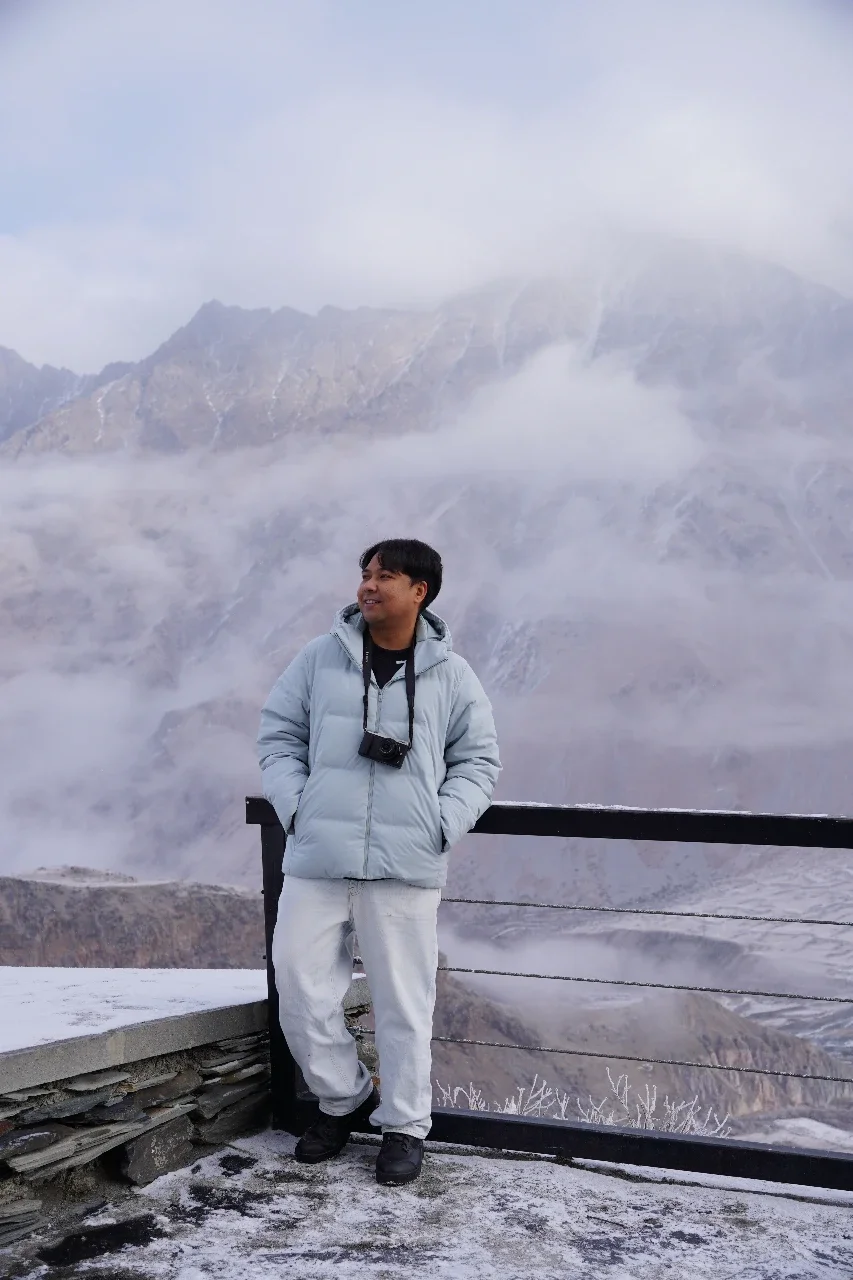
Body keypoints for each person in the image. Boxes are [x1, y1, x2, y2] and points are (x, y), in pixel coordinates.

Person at [257, 538, 500, 1185]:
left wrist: (439, 824)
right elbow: (278, 735)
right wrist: (298, 809)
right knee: (298, 987)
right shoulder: (319, 658)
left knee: (403, 1003)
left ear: (419, 591)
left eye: (384, 576)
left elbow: (479, 762)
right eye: (365, 574)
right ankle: (342, 1098)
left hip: (405, 865)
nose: (367, 585)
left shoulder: (452, 675)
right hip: (318, 859)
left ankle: (404, 1126)